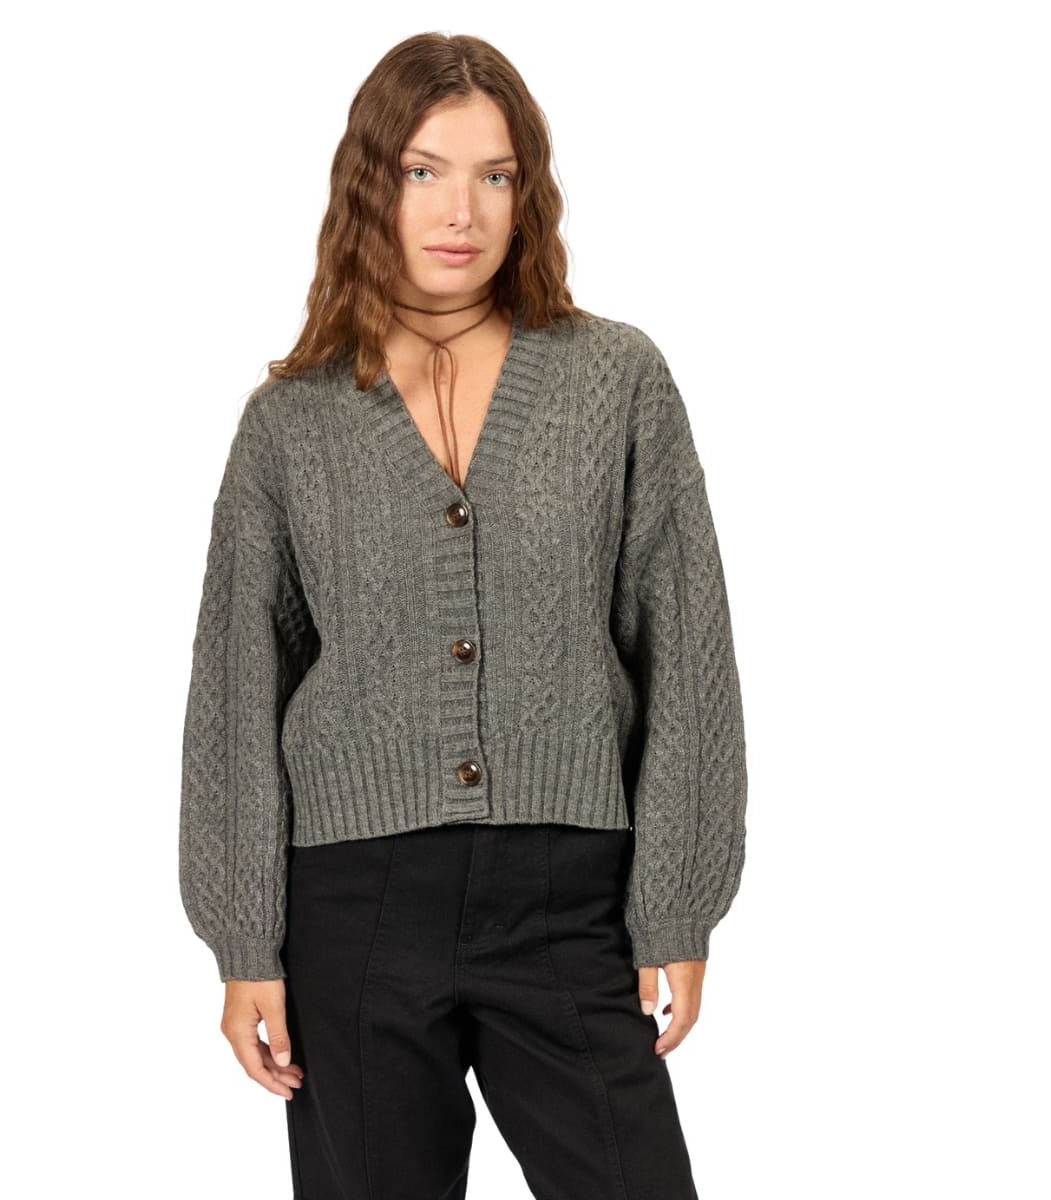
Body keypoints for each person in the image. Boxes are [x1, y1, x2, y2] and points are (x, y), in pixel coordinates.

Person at [179, 31, 748, 1200]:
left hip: (567, 892)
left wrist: (676, 905)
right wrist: (243, 942)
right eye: (425, 171)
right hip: (353, 905)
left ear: (528, 194)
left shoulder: (613, 380)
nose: (462, 211)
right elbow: (236, 687)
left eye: (497, 175)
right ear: (370, 185)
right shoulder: (290, 423)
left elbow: (686, 647)